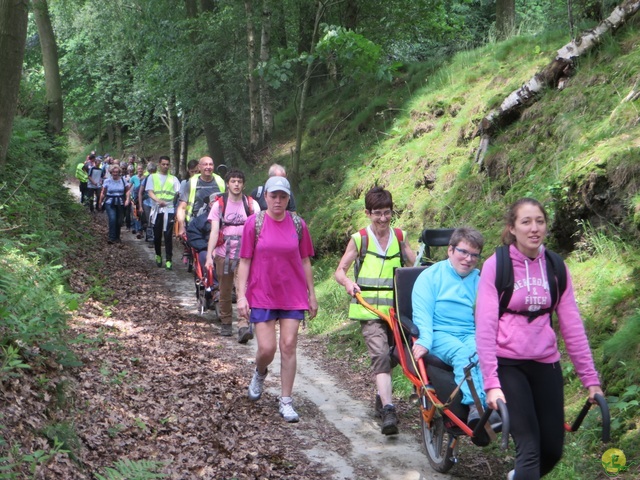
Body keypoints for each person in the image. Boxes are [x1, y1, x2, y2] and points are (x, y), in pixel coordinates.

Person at [475, 198, 603, 480]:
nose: (534, 229)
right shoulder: (496, 266)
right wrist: (491, 385)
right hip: (508, 365)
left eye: (540, 221)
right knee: (529, 449)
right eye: (526, 222)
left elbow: (572, 327)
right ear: (512, 228)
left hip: (546, 364)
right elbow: (484, 329)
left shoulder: (556, 267)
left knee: (553, 450)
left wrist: (591, 381)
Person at [334, 186, 416, 435]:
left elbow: (415, 265)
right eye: (378, 213)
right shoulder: (360, 239)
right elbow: (340, 271)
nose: (383, 218)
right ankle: (389, 410)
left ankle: (382, 394)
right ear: (368, 213)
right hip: (369, 312)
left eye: (387, 213)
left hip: (398, 311)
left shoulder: (400, 237)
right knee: (381, 355)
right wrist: (349, 284)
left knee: (399, 355)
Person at [236, 176, 317, 423]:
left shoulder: (298, 224)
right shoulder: (254, 224)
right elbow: (245, 261)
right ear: (266, 197)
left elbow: (305, 261)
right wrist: (241, 296)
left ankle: (286, 400)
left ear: (288, 198)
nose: (278, 201)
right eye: (274, 196)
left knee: (289, 345)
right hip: (262, 293)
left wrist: (312, 294)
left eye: (283, 196)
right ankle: (260, 371)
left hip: (292, 294)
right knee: (267, 348)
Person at [411, 227, 499, 428]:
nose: (468, 259)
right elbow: (422, 312)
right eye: (463, 252)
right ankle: (475, 407)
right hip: (439, 333)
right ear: (450, 250)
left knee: (481, 352)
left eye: (474, 255)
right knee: (463, 354)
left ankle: (494, 403)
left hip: (469, 332)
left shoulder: (480, 280)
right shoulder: (430, 277)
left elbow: (488, 315)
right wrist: (424, 339)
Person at [204, 169, 260, 340]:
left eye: (239, 181)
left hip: (245, 255)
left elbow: (258, 231)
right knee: (225, 290)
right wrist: (208, 256)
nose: (236, 184)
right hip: (223, 254)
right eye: (233, 181)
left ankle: (243, 325)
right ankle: (226, 322)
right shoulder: (219, 205)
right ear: (227, 183)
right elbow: (214, 231)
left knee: (243, 289)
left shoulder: (252, 205)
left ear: (243, 184)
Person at [176, 156, 226, 237]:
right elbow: (182, 207)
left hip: (217, 223)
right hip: (195, 224)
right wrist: (182, 226)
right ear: (199, 167)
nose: (208, 167)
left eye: (210, 164)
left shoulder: (220, 181)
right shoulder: (191, 183)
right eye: (205, 164)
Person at [146, 156, 181, 269]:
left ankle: (169, 259)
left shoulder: (173, 179)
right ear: (159, 164)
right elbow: (150, 192)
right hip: (157, 209)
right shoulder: (153, 177)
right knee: (157, 234)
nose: (165, 166)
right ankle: (158, 254)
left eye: (167, 164)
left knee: (168, 235)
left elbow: (178, 192)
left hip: (169, 209)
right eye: (163, 164)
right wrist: (157, 200)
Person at [99, 164, 130, 244]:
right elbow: (103, 192)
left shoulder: (123, 180)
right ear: (111, 172)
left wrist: (127, 199)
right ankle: (111, 237)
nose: (115, 173)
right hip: (110, 202)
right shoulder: (107, 181)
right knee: (112, 219)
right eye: (113, 172)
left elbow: (127, 190)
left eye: (117, 172)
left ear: (119, 172)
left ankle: (117, 237)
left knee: (119, 221)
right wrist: (100, 202)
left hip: (120, 202)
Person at [138, 162, 157, 246]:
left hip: (156, 203)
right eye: (151, 171)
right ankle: (150, 239)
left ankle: (154, 237)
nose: (152, 172)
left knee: (155, 221)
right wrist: (140, 206)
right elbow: (140, 192)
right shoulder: (145, 179)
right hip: (147, 203)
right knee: (149, 221)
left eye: (153, 171)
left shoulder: (158, 179)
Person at [129, 164, 146, 238]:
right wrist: (129, 197)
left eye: (141, 168)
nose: (140, 170)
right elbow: (129, 187)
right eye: (139, 169)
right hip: (135, 198)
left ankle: (141, 230)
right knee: (136, 214)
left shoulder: (145, 178)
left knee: (142, 215)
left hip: (143, 198)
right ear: (137, 169)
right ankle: (138, 230)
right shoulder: (133, 178)